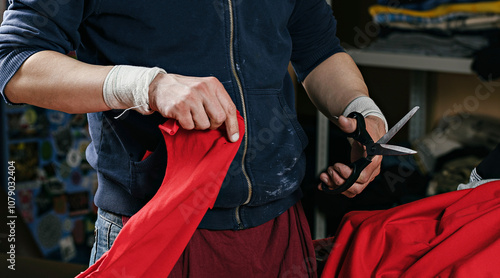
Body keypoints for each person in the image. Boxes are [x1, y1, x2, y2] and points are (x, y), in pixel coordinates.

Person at [0, 1, 387, 276]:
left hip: (278, 229)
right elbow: (16, 63)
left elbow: (318, 50)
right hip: (156, 228)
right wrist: (146, 86)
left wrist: (361, 107)